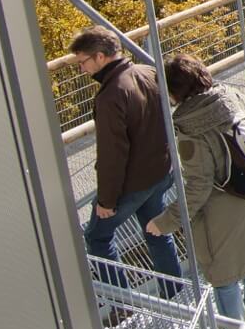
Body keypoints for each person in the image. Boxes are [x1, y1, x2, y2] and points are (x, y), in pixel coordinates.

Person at [148, 54, 245, 329]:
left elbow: (198, 186)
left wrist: (166, 222)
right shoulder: (231, 96)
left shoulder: (190, 129)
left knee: (225, 277)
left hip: (223, 212)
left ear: (175, 92)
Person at [70, 27, 183, 288]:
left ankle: (123, 302)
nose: (81, 69)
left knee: (98, 237)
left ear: (100, 57)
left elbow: (113, 154)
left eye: (82, 62)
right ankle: (174, 290)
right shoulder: (147, 71)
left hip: (132, 185)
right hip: (160, 171)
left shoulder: (111, 95)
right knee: (156, 230)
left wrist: (107, 201)